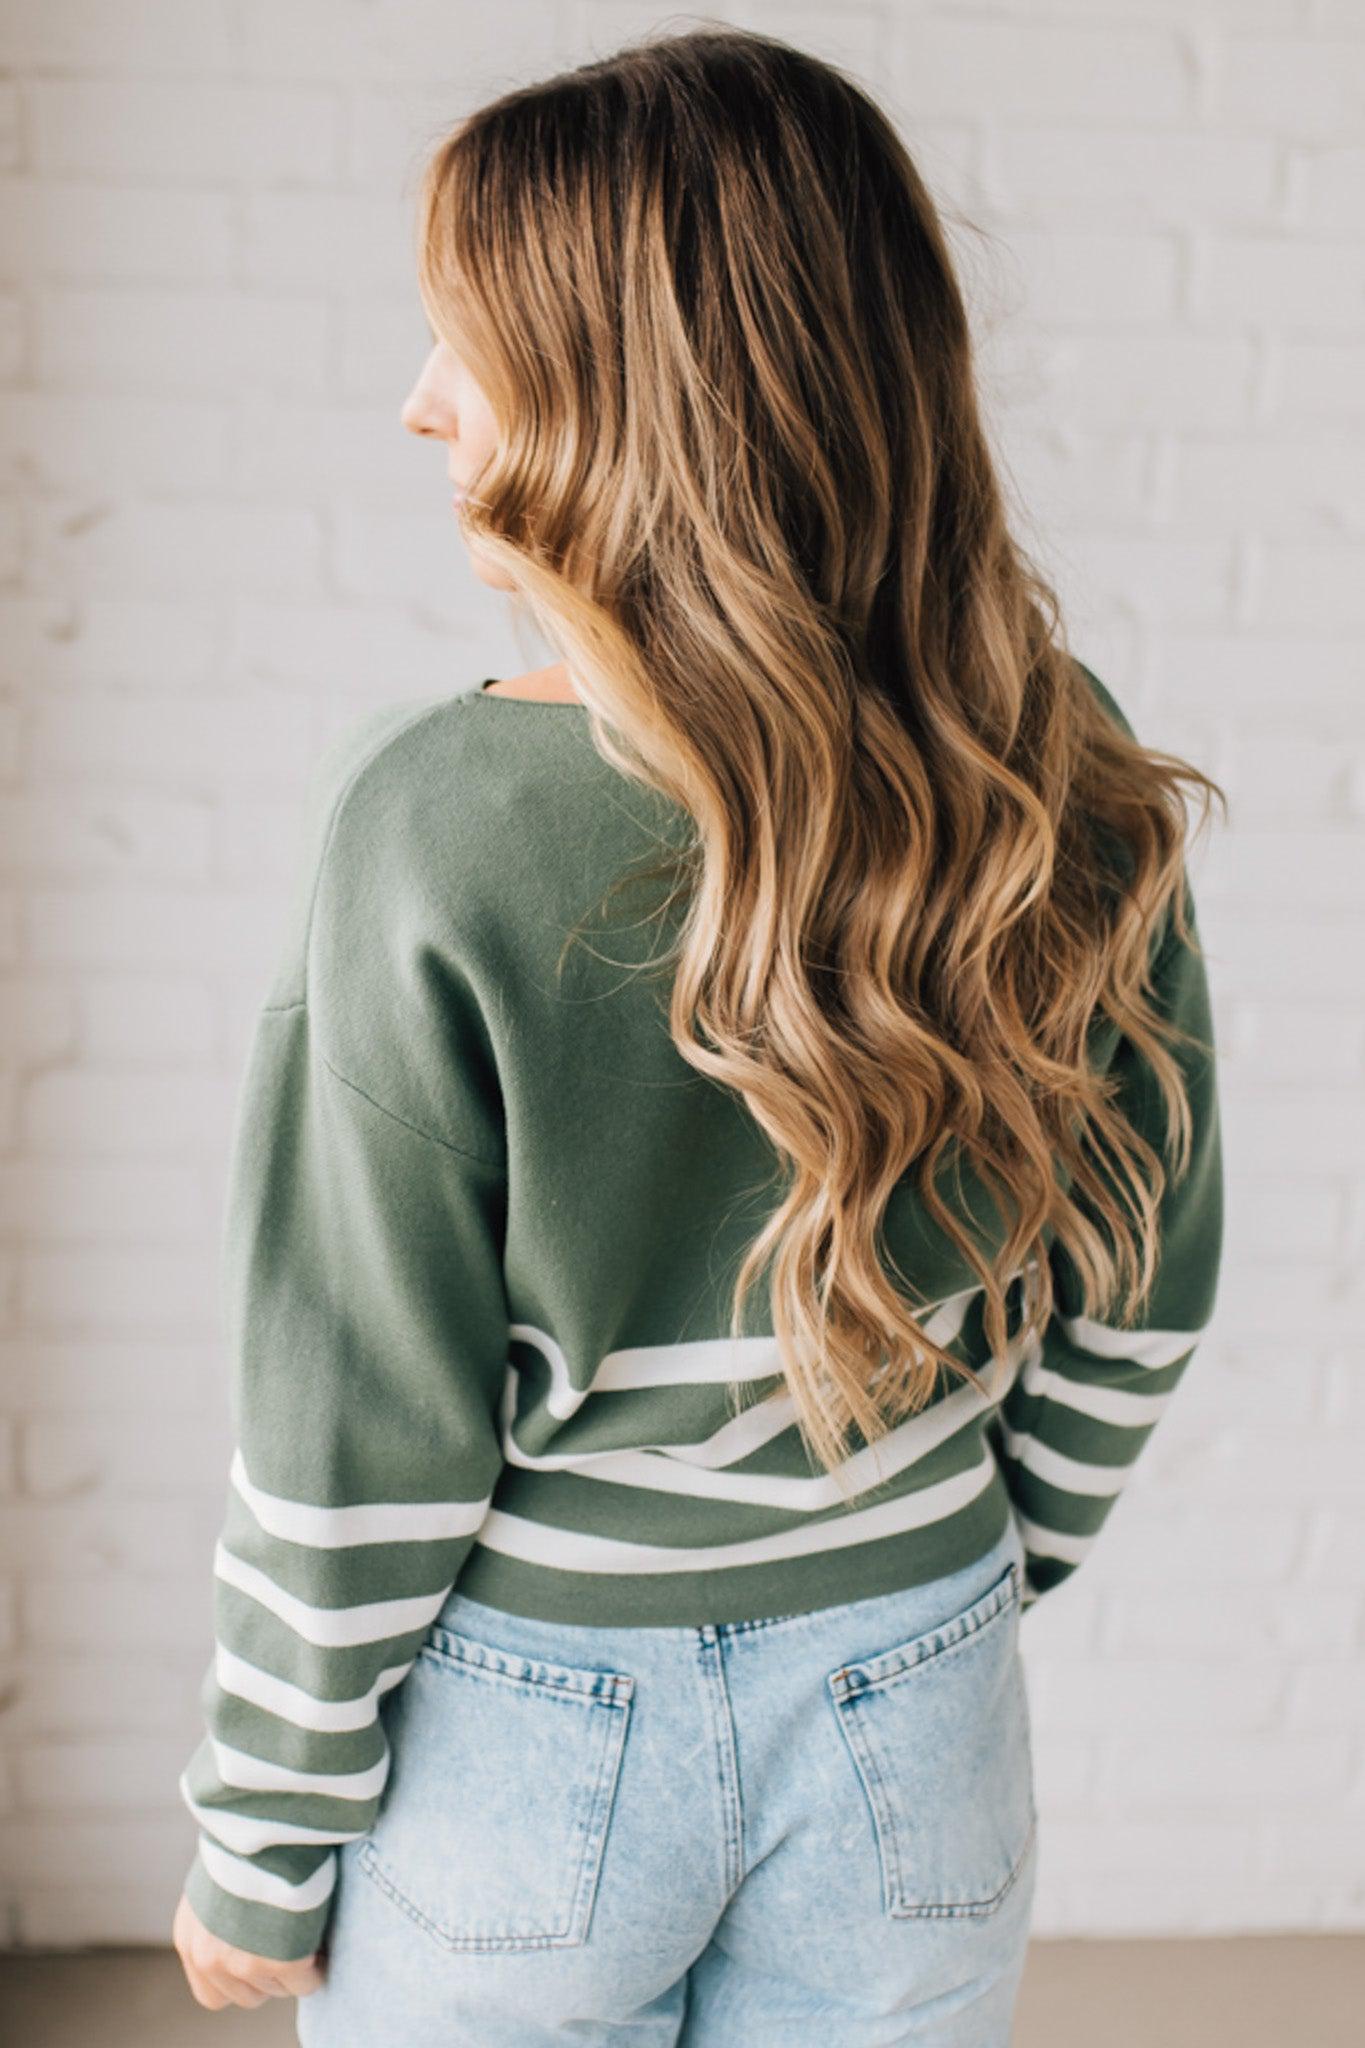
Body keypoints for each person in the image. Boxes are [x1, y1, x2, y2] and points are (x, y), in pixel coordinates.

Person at [171, 24, 1225, 2045]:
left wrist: (262, 1830)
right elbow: (1145, 1269)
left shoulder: (427, 822)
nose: (418, 402)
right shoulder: (1050, 761)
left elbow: (351, 1419)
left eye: (469, 345)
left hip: (534, 1731)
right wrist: (970, 1557)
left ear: (627, 403)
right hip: (919, 1683)